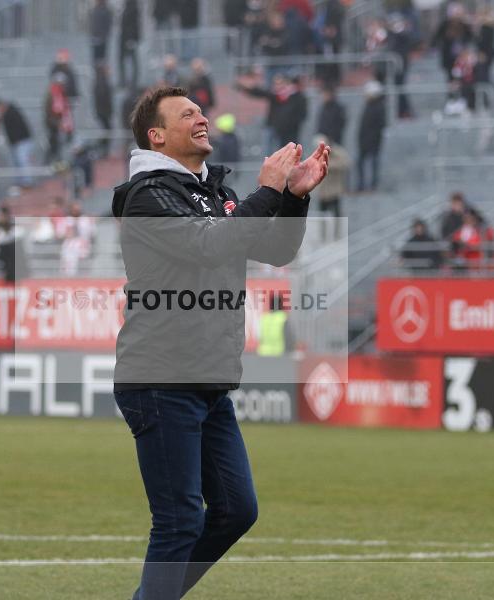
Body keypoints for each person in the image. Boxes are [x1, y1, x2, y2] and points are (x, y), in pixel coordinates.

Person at [111, 85, 330, 600]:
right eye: (187, 113)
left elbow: (275, 250)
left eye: (201, 110)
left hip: (205, 378)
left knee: (236, 509)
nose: (201, 117)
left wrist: (294, 197)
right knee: (179, 520)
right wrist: (267, 191)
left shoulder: (211, 192)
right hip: (161, 378)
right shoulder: (148, 194)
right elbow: (211, 244)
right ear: (156, 135)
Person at [312, 134, 350, 242]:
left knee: (336, 214)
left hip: (334, 190)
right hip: (323, 192)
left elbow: (345, 163)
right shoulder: (318, 154)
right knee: (322, 216)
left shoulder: (338, 152)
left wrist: (327, 165)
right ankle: (323, 236)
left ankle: (337, 236)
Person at [430, 2, 474, 82]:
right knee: (450, 76)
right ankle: (452, 92)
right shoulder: (445, 24)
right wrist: (434, 47)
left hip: (461, 55)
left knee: (462, 75)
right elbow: (437, 36)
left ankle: (461, 91)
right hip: (448, 55)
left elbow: (470, 37)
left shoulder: (464, 25)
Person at [0, 100, 35, 187]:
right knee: (17, 162)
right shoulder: (8, 112)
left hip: (22, 141)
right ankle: (20, 181)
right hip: (16, 143)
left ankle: (27, 181)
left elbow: (16, 128)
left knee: (23, 161)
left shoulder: (11, 112)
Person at [356, 80, 386, 192]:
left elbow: (378, 127)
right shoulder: (370, 106)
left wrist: (370, 139)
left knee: (373, 162)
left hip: (372, 141)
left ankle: (372, 185)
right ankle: (362, 185)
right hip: (365, 141)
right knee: (362, 163)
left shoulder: (378, 108)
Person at [44, 73, 75, 165]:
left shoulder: (61, 93)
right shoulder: (52, 95)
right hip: (54, 124)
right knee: (54, 143)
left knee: (58, 143)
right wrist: (58, 123)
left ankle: (56, 159)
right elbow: (49, 112)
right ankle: (51, 161)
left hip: (59, 123)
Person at [93, 63, 115, 156]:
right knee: (107, 131)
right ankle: (102, 150)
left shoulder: (100, 81)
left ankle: (103, 149)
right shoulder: (102, 82)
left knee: (106, 131)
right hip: (104, 112)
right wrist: (108, 111)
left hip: (102, 111)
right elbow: (103, 99)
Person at [118, 0, 141, 88]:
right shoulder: (127, 6)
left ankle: (132, 82)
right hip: (124, 38)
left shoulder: (133, 7)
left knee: (132, 61)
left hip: (129, 38)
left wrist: (132, 39)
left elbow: (134, 25)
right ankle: (124, 81)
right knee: (124, 60)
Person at [89, 0, 112, 65]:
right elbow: (92, 23)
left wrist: (103, 36)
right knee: (95, 60)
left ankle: (102, 73)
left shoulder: (106, 10)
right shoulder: (95, 9)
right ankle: (97, 73)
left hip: (102, 39)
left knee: (101, 60)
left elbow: (108, 26)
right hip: (95, 38)